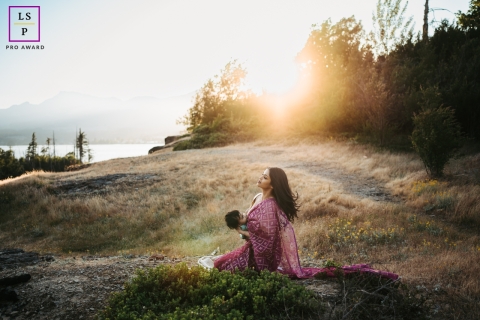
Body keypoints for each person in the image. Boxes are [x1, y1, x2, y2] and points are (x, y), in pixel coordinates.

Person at [213, 167, 398, 280]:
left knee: (223, 269)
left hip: (262, 257)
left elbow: (268, 239)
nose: (260, 178)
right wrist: (242, 230)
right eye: (262, 174)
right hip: (251, 250)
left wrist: (243, 233)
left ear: (273, 185)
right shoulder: (257, 197)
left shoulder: (271, 206)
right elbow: (250, 224)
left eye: (265, 177)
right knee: (219, 264)